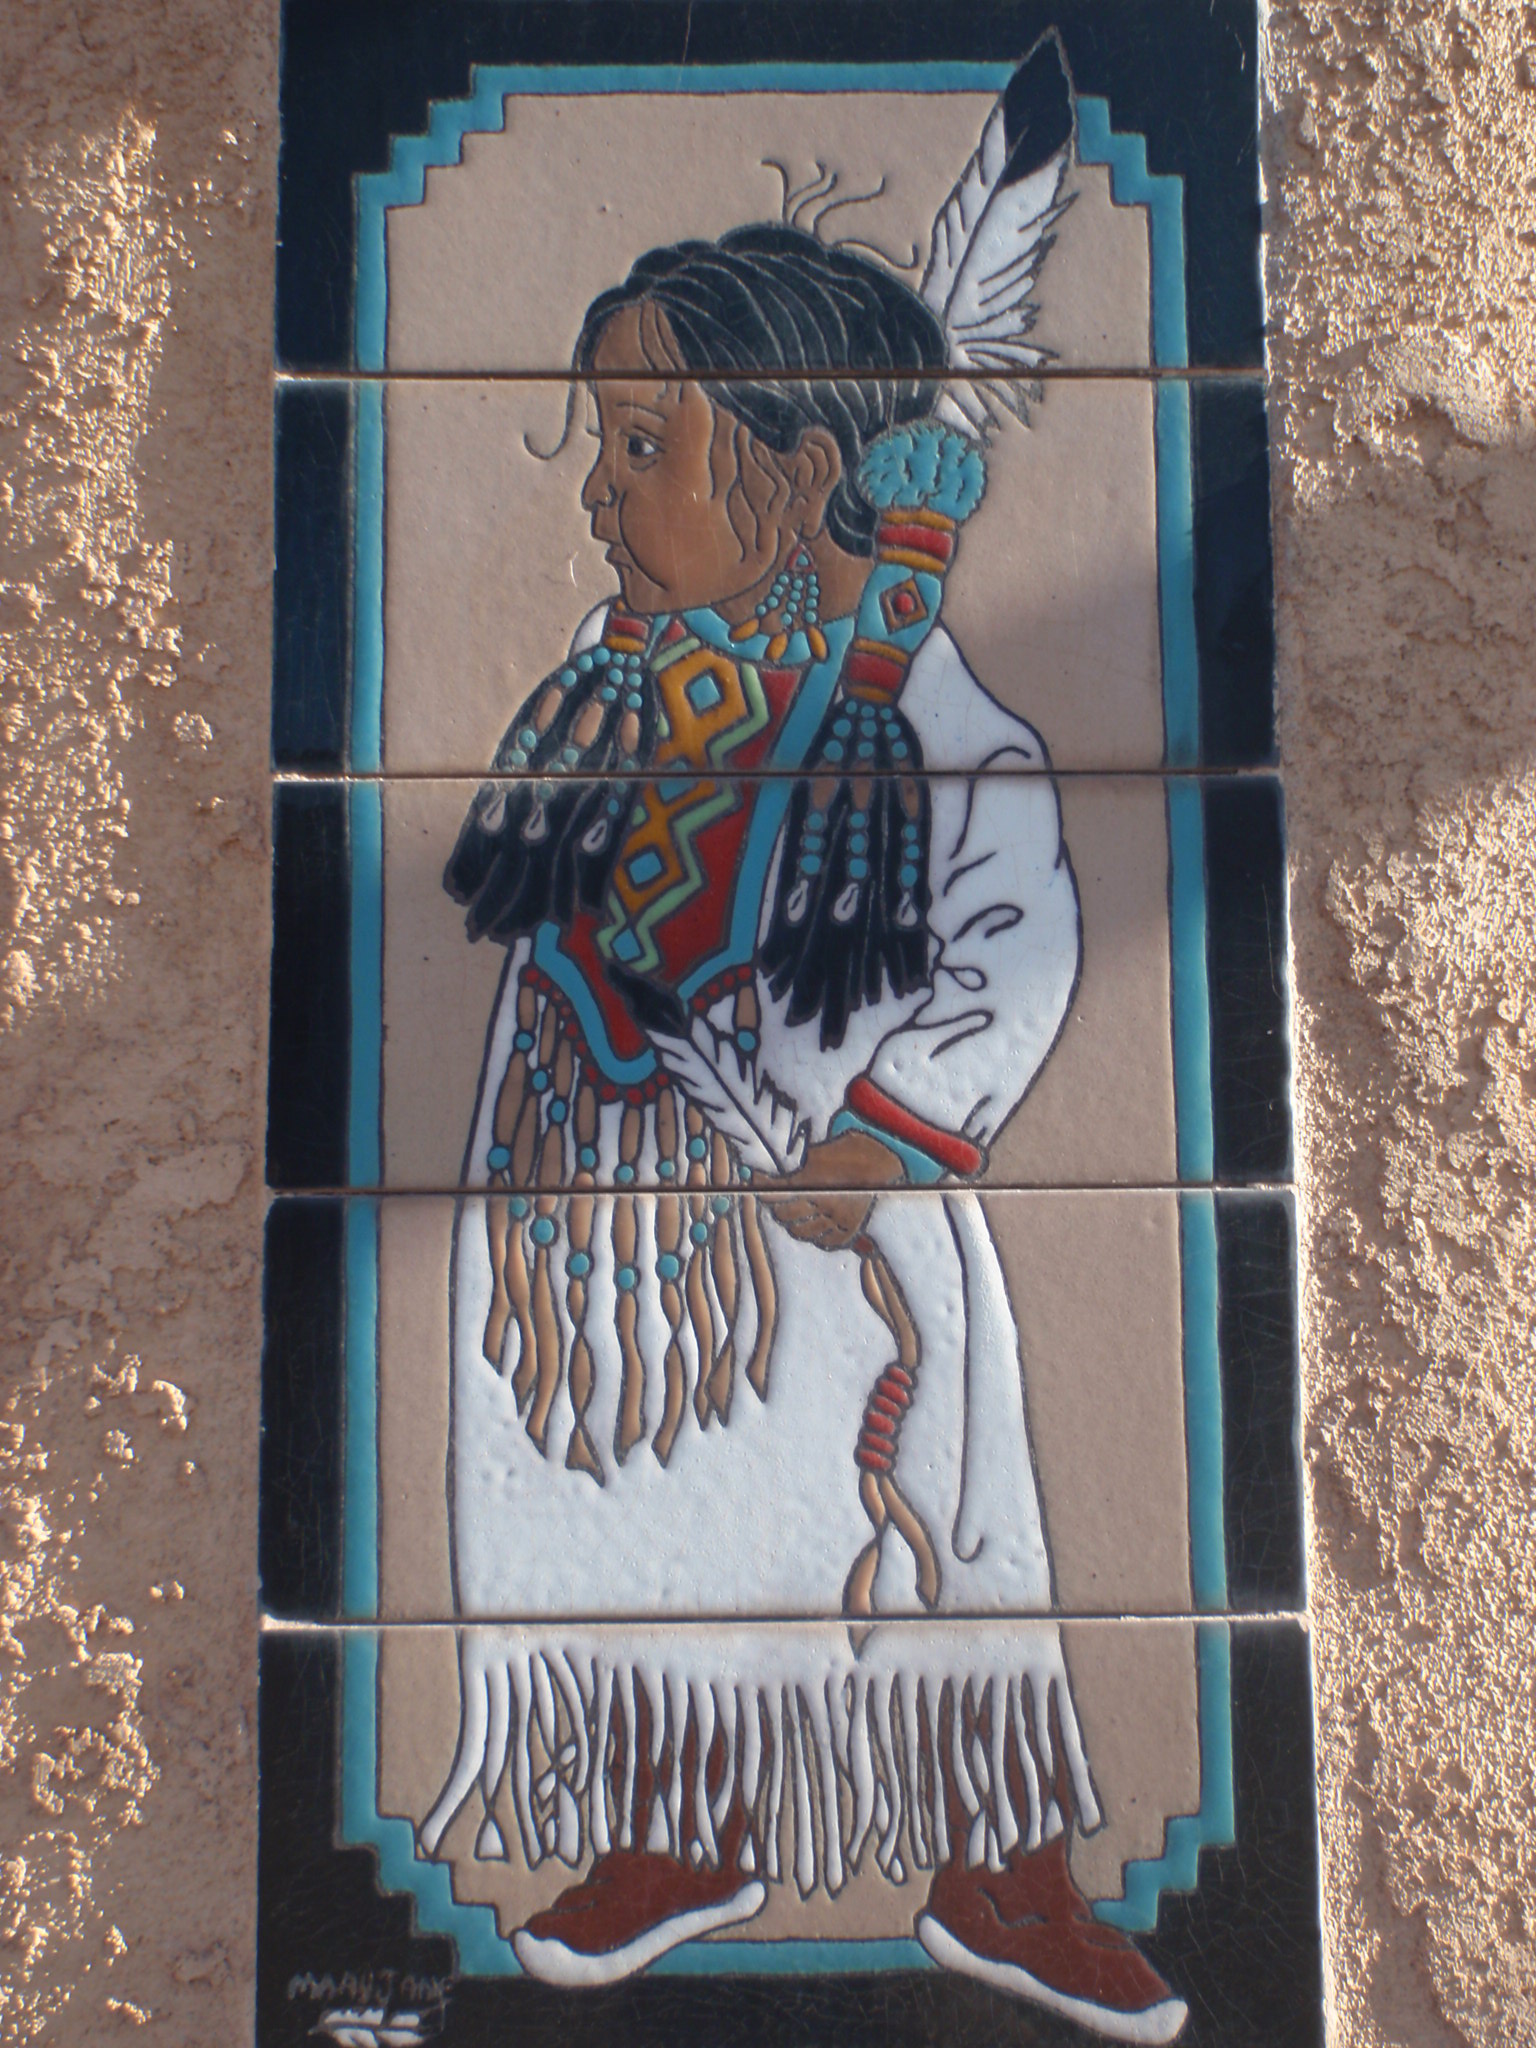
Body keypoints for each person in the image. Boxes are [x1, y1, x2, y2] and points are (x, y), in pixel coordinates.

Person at [424, 47, 1188, 2045]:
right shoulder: (608, 680)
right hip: (611, 1223)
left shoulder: (909, 707)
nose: (599, 487)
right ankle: (680, 1820)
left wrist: (895, 1131)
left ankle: (1000, 1865)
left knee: (926, 1528)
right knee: (617, 1514)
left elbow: (1015, 929)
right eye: (607, 442)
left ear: (787, 467)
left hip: (829, 1209)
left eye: (645, 443)